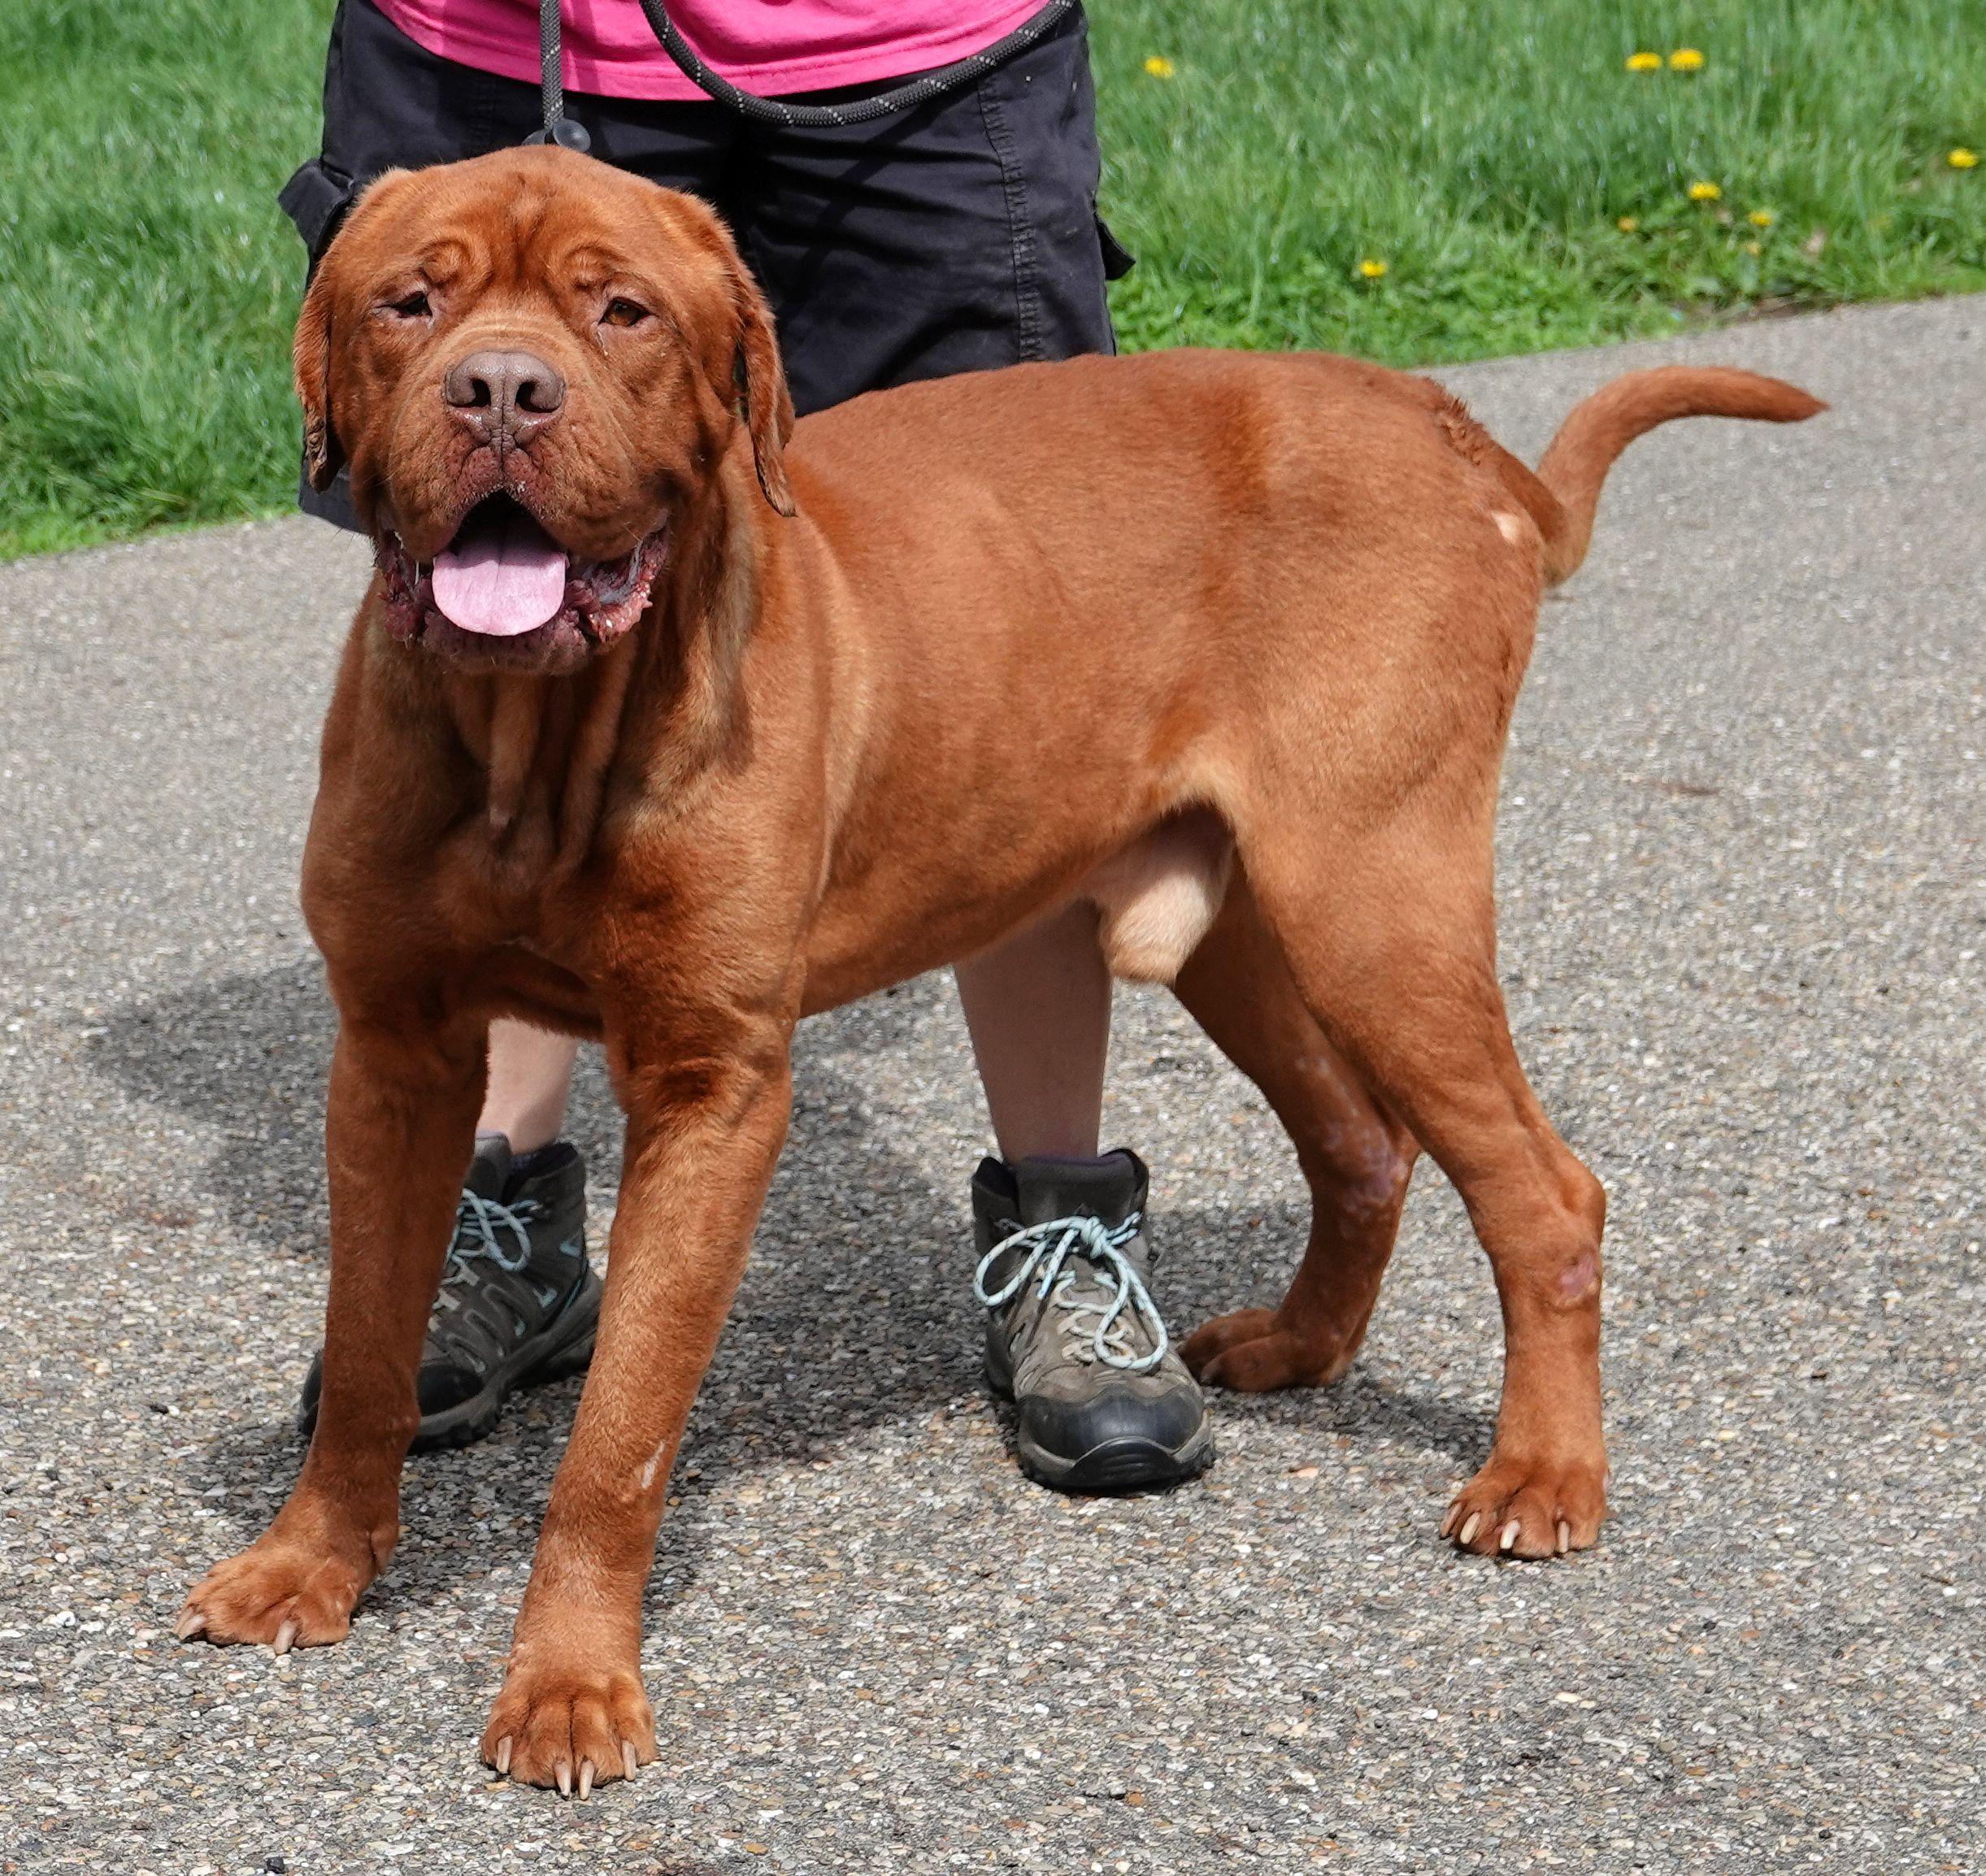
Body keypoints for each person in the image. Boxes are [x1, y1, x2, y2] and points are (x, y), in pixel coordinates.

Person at [284, 0, 1212, 1492]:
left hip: (920, 47)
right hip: (485, 30)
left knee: (1010, 653)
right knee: (491, 660)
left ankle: (1059, 1212)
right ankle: (507, 1211)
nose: (503, 378)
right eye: (419, 322)